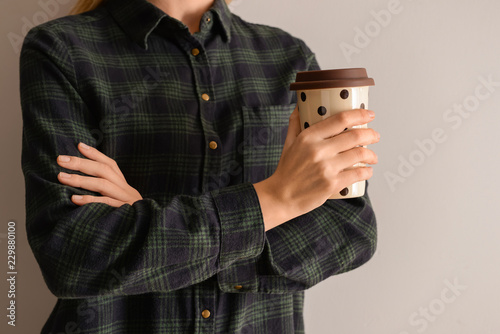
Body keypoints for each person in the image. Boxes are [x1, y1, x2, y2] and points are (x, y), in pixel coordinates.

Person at [19, 0, 380, 332]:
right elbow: (72, 254)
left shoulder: (289, 57)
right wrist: (275, 202)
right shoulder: (61, 50)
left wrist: (146, 222)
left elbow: (350, 227)